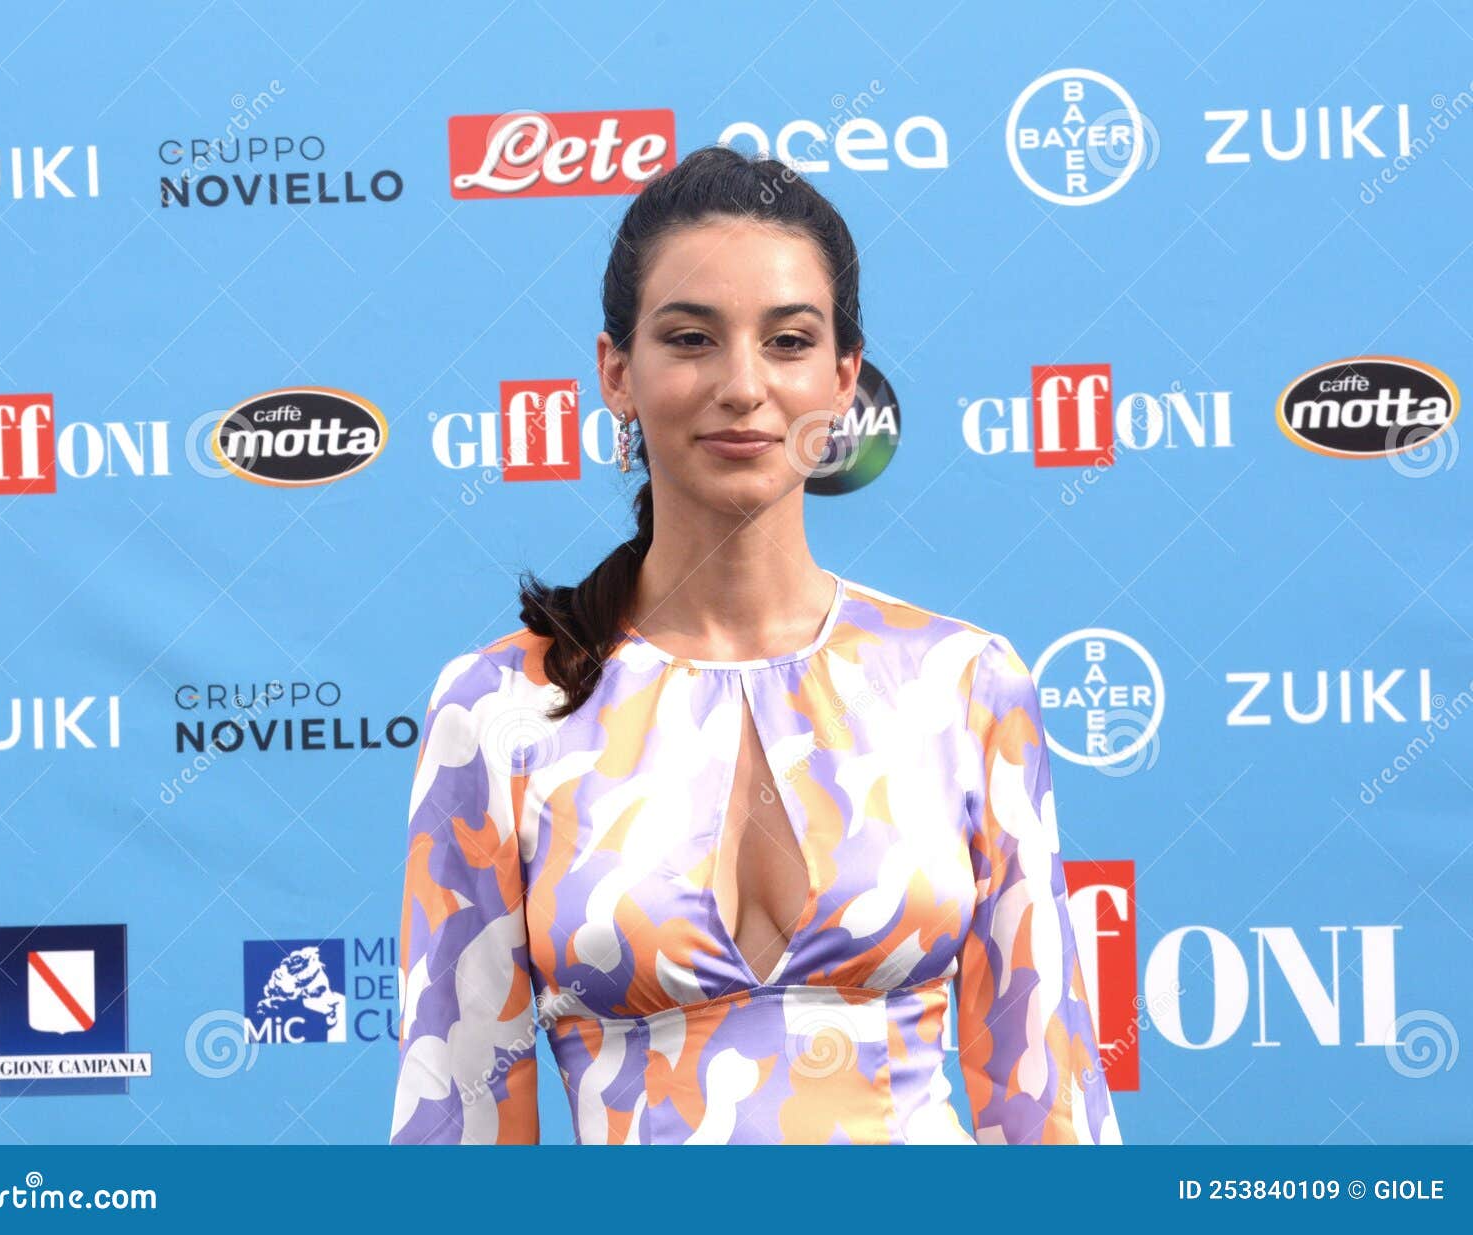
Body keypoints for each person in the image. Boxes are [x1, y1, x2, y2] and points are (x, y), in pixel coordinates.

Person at [388, 143, 1122, 1146]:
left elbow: (1048, 1099)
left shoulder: (963, 684)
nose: (743, 384)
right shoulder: (503, 707)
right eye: (691, 338)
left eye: (787, 341)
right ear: (616, 372)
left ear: (842, 376)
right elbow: (459, 1117)